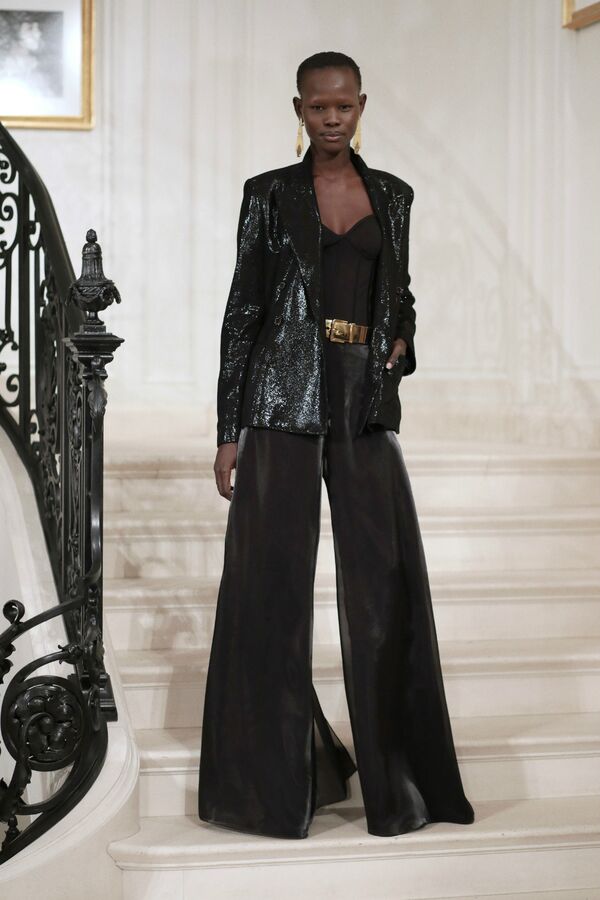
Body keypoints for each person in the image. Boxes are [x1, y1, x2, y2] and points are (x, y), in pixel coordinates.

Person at [198, 51, 475, 839]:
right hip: (280, 400)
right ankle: (270, 788)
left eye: (343, 106)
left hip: (361, 404)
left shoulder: (393, 196)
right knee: (271, 593)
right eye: (318, 106)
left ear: (361, 107)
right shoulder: (268, 194)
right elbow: (243, 312)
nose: (331, 118)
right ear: (299, 109)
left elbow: (401, 295)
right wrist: (229, 430)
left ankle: (399, 787)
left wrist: (399, 344)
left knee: (382, 589)